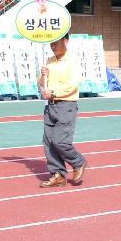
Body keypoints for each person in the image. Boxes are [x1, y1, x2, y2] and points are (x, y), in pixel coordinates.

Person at [39, 33, 87, 188]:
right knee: (48, 143)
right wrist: (42, 76)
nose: (53, 47)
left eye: (56, 43)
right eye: (51, 44)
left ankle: (78, 162)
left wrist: (53, 93)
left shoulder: (72, 61)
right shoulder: (50, 61)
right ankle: (57, 174)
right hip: (51, 106)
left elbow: (72, 85)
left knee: (60, 141)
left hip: (66, 105)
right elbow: (41, 84)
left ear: (66, 41)